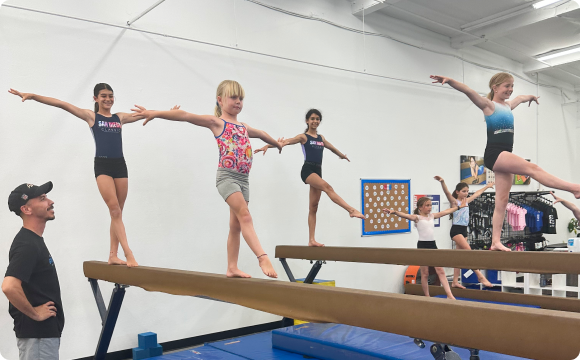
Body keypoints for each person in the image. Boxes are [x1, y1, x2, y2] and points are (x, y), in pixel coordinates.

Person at [132, 80, 281, 278]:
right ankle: (262, 256)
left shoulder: (243, 126)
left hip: (244, 180)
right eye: (233, 97)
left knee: (236, 225)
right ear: (220, 100)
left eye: (241, 98)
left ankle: (232, 267)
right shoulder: (217, 122)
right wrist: (155, 113)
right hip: (227, 178)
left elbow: (261, 134)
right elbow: (185, 115)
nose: (238, 101)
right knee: (245, 216)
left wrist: (277, 144)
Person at [430, 73, 580, 251]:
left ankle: (495, 241)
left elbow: (520, 98)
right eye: (506, 86)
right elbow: (469, 91)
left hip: (503, 155)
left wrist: (530, 97)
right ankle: (574, 188)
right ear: (495, 87)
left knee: (502, 200)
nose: (510, 89)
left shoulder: (508, 106)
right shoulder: (489, 106)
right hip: (495, 154)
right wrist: (451, 81)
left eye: (512, 86)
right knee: (533, 168)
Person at [8, 84, 146, 267]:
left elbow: (148, 114)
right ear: (95, 98)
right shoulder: (92, 116)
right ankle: (129, 255)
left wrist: (169, 112)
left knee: (118, 211)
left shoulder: (119, 117)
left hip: (120, 165)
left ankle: (113, 255)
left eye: (111, 96)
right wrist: (33, 96)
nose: (108, 99)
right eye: (103, 96)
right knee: (114, 210)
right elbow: (62, 104)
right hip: (103, 165)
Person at [254, 109, 364, 247]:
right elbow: (286, 142)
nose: (315, 121)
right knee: (328, 187)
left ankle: (311, 240)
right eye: (312, 118)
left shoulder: (321, 138)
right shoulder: (303, 137)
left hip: (318, 171)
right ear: (307, 120)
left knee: (313, 207)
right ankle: (351, 210)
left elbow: (332, 148)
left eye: (317, 119)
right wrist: (268, 145)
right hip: (308, 170)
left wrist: (342, 155)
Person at [2, 182, 64, 360]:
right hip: (38, 337)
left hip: (43, 335)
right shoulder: (27, 245)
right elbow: (9, 286)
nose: (50, 201)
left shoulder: (33, 241)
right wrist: (36, 314)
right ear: (26, 209)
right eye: (43, 198)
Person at [383, 196, 467, 299]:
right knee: (425, 273)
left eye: (430, 205)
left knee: (440, 270)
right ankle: (427, 296)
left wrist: (459, 207)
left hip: (432, 245)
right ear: (420, 207)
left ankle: (449, 294)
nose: (430, 207)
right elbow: (405, 215)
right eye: (427, 205)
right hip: (422, 246)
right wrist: (394, 212)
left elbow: (446, 212)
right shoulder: (417, 218)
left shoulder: (432, 216)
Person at [435, 176, 494, 288]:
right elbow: (447, 192)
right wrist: (442, 182)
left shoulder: (466, 201)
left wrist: (487, 186)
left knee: (460, 257)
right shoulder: (454, 202)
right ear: (457, 192)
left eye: (467, 191)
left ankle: (455, 281)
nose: (466, 193)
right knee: (469, 252)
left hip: (464, 230)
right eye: (463, 191)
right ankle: (480, 275)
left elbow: (477, 194)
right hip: (456, 230)